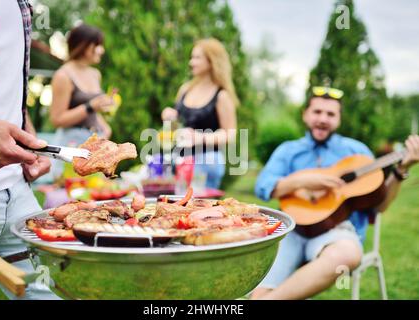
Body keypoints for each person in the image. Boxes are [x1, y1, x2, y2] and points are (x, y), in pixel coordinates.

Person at [251, 86, 419, 300]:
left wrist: (401, 169)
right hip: (290, 230)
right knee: (259, 293)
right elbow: (262, 187)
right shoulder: (288, 150)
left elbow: (380, 205)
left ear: (339, 119)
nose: (323, 119)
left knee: (348, 254)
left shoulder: (357, 152)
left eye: (330, 114)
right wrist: (302, 181)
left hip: (337, 232)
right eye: (317, 112)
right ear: (305, 114)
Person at [0, 0, 59, 299]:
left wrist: (28, 135)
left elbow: (5, 85)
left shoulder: (21, 4)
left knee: (52, 291)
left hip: (16, 190)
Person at [161, 38, 238, 189]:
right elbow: (178, 125)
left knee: (194, 208)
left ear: (211, 61)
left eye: (197, 58)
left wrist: (200, 137)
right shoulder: (185, 89)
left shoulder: (221, 95)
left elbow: (230, 133)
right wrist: (169, 116)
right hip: (179, 159)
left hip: (207, 161)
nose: (191, 62)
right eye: (192, 57)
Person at [50, 23, 114, 178]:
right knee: (74, 198)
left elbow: (93, 112)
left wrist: (105, 129)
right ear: (84, 46)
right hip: (72, 147)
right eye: (97, 45)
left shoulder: (95, 74)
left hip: (93, 147)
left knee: (95, 197)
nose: (102, 50)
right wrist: (90, 106)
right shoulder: (63, 75)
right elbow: (57, 119)